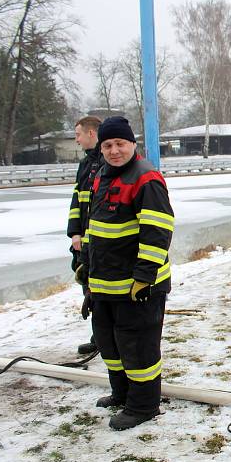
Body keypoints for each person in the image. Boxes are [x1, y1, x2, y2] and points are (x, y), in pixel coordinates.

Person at [75, 116, 174, 431]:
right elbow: (94, 228)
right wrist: (86, 270)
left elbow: (158, 231)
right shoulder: (101, 175)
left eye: (120, 144)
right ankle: (121, 393)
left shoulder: (146, 178)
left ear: (133, 144)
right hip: (105, 283)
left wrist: (145, 278)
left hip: (136, 286)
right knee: (110, 345)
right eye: (108, 145)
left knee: (138, 347)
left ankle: (144, 405)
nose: (114, 150)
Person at [67, 116, 102, 355]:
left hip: (100, 238)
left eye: (78, 134)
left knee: (99, 290)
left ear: (91, 133)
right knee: (88, 287)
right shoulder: (85, 165)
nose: (77, 140)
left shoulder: (106, 161)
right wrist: (74, 233)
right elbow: (77, 201)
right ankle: (98, 336)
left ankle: (104, 336)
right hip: (84, 240)